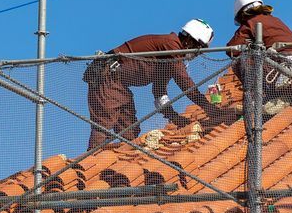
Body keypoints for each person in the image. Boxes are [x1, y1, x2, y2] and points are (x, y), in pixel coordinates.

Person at [83, 19, 234, 150]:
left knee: (129, 129)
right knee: (104, 124)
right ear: (190, 40)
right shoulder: (171, 45)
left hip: (118, 85)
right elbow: (185, 83)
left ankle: (117, 160)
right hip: (106, 78)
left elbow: (159, 92)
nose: (197, 54)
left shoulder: (169, 58)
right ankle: (89, 161)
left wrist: (174, 117)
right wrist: (208, 108)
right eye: (198, 49)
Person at [226, 0, 292, 107]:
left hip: (283, 66)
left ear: (242, 13)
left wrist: (250, 48)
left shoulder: (250, 23)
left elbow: (231, 49)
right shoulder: (276, 20)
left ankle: (258, 98)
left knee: (241, 61)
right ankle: (281, 93)